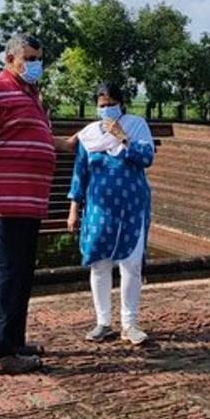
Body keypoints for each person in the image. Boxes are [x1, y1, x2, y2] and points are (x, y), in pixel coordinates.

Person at [0, 34, 71, 376]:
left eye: (39, 58)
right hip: (4, 203)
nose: (35, 64)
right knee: (7, 276)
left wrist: (65, 144)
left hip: (29, 204)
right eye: (29, 58)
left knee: (21, 275)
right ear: (10, 59)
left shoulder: (31, 96)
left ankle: (14, 340)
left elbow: (32, 137)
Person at [67, 82, 154, 346]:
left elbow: (147, 158)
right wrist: (74, 208)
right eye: (101, 106)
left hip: (131, 207)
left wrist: (123, 136)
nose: (106, 110)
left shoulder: (137, 126)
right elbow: (80, 173)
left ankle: (130, 323)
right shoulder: (89, 134)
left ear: (121, 104)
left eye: (111, 105)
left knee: (131, 265)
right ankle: (103, 321)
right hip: (99, 209)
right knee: (100, 265)